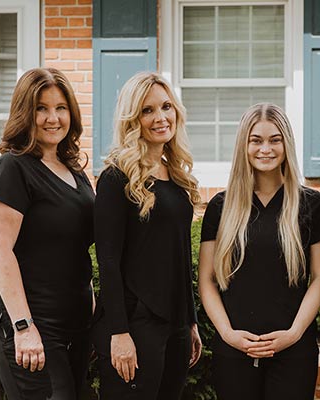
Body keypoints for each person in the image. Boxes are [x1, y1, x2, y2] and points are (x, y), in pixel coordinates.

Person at [198, 103, 320, 400]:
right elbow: (207, 279)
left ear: (287, 144)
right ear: (244, 145)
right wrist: (228, 334)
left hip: (293, 352)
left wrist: (294, 333)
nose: (265, 149)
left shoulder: (311, 205)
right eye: (256, 140)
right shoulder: (221, 207)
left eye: (275, 139)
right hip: (233, 351)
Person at [0, 67, 94, 399]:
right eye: (41, 108)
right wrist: (23, 327)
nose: (52, 118)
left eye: (61, 107)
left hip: (70, 321)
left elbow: (74, 247)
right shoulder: (12, 168)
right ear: (25, 113)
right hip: (27, 319)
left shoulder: (74, 171)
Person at [91, 71, 202, 399]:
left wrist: (191, 321)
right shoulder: (115, 179)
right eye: (147, 110)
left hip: (176, 324)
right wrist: (119, 331)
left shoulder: (178, 176)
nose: (160, 117)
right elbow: (107, 260)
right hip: (136, 324)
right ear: (132, 119)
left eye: (166, 106)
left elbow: (180, 254)